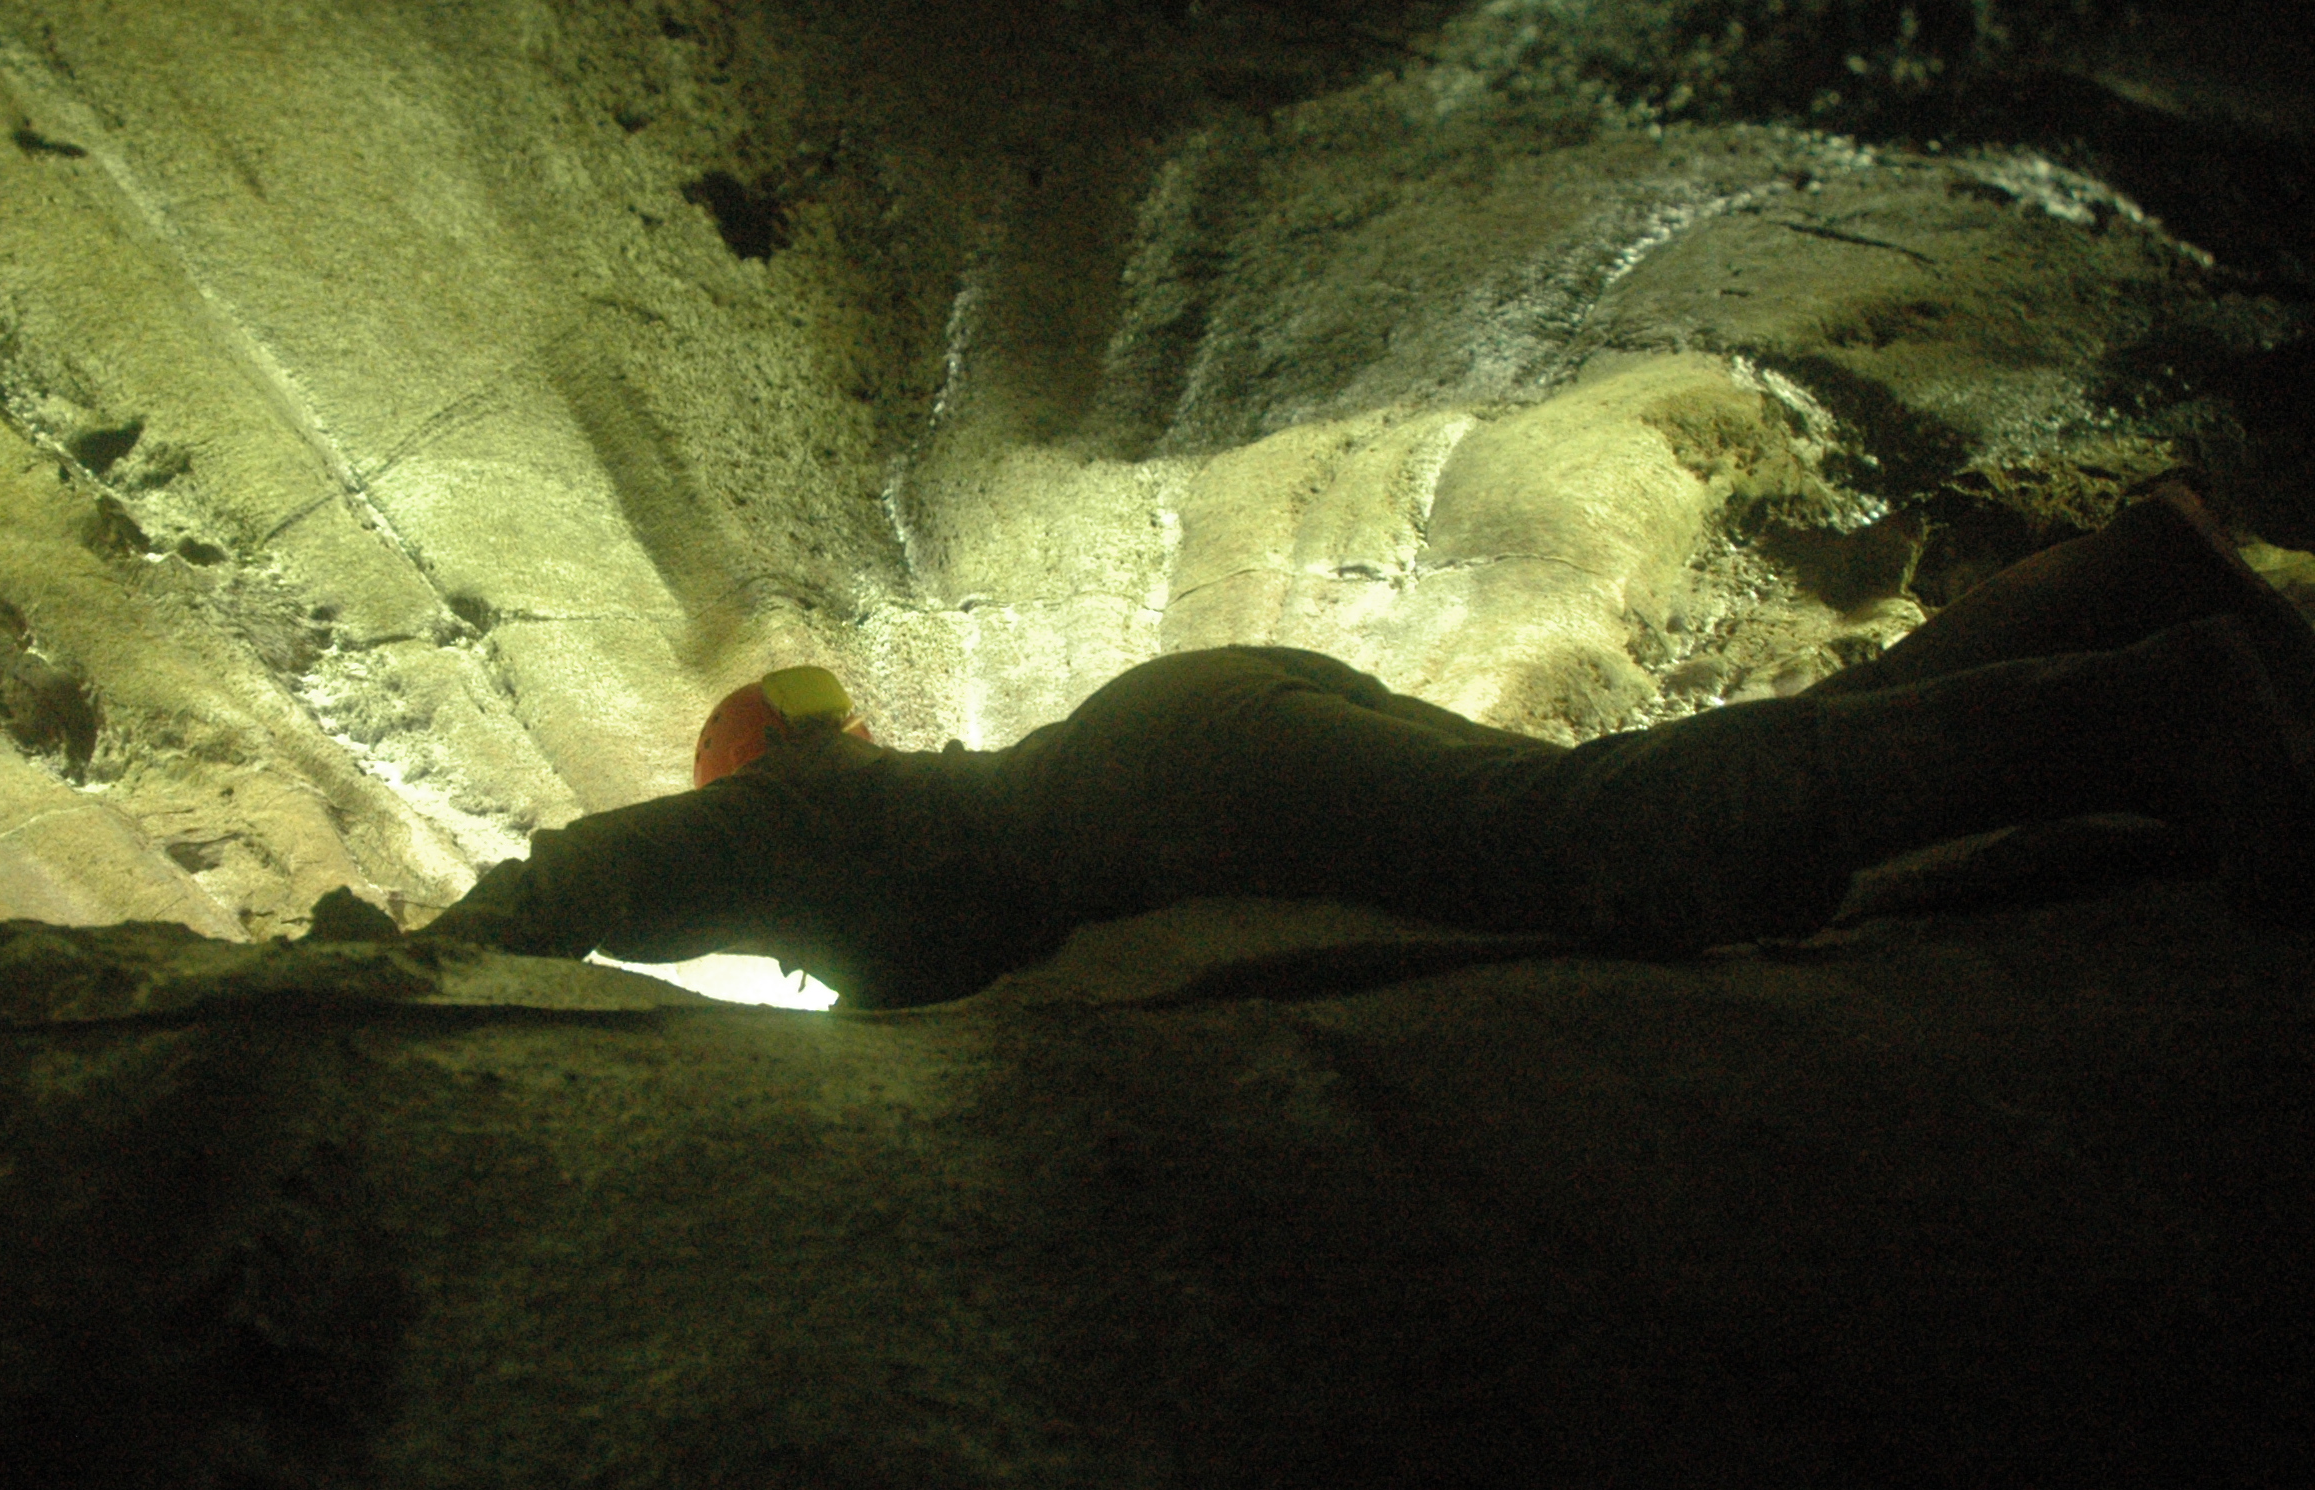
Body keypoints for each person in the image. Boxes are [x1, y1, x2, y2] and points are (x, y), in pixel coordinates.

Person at [316, 485, 2315, 1009]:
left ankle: (2150, 708)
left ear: (748, 775)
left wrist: (429, 951)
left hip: (1169, 795)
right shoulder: (882, 802)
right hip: (1197, 741)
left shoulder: (789, 831)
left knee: (1600, 846)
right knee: (1612, 801)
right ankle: (2125, 585)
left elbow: (598, 877)